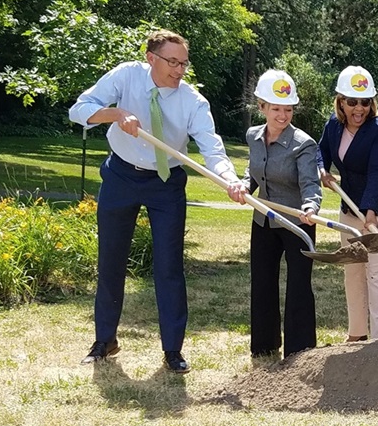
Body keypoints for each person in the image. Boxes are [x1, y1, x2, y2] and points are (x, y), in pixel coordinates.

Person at [69, 29, 243, 374]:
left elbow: (212, 147)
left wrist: (230, 179)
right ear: (151, 58)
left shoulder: (193, 101)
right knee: (111, 259)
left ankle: (172, 350)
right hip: (120, 175)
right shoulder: (126, 76)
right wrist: (116, 114)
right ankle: (104, 340)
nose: (179, 70)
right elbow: (79, 109)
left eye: (184, 63)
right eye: (172, 62)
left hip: (166, 183)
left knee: (168, 267)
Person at [226, 70, 321, 360]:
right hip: (263, 220)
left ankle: (300, 349)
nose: (283, 115)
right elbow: (253, 172)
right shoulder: (253, 136)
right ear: (262, 107)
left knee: (298, 286)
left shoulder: (303, 143)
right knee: (263, 282)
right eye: (276, 108)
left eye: (288, 109)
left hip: (297, 223)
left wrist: (311, 206)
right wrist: (244, 186)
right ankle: (264, 345)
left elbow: (310, 183)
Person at [318, 66, 378, 341]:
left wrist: (370, 211)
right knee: (353, 270)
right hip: (349, 208)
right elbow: (320, 151)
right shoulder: (333, 126)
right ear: (340, 102)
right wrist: (321, 170)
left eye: (365, 102)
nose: (359, 108)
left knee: (377, 276)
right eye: (352, 101)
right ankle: (357, 333)